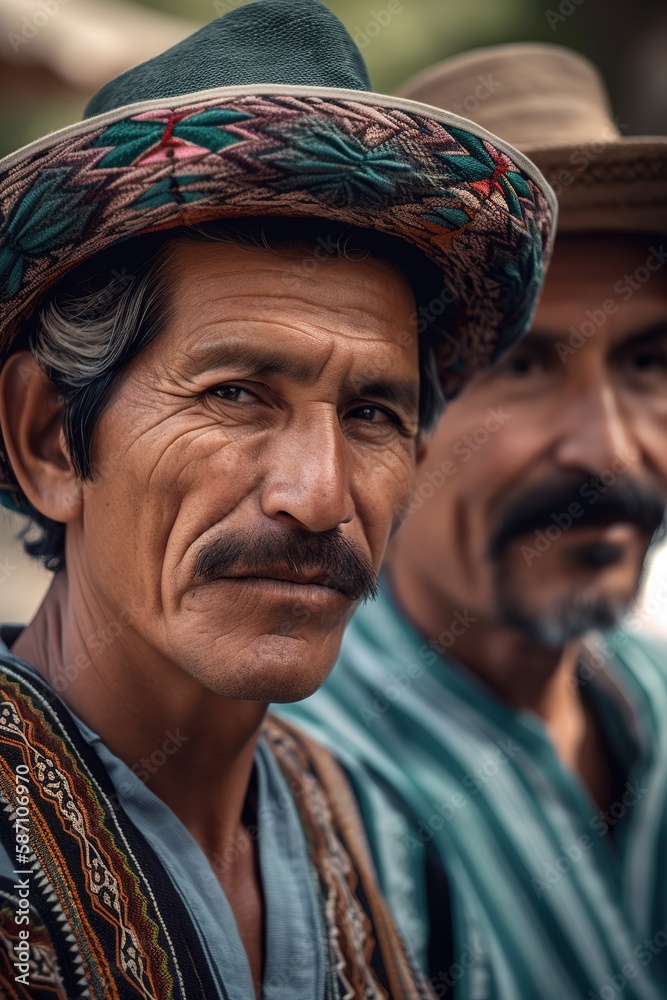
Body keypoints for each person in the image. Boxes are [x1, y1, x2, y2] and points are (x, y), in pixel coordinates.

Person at [0, 4, 555, 997]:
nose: (319, 495)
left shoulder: (396, 851)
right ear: (49, 438)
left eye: (374, 411)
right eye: (236, 395)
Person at [281, 44, 667, 1000]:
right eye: (524, 368)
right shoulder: (295, 800)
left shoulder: (652, 700)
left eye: (649, 361)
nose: (609, 452)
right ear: (381, 413)